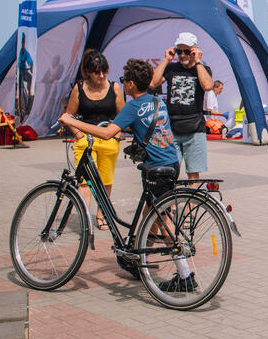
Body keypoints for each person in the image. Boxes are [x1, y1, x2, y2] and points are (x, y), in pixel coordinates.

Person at [59, 59, 189, 292]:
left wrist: (71, 122)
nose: (123, 84)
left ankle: (185, 275)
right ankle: (139, 260)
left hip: (156, 168)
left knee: (162, 219)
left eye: (124, 81)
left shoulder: (133, 106)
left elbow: (107, 133)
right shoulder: (158, 101)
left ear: (130, 84)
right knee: (151, 214)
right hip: (171, 161)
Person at [65, 50, 125, 228]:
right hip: (86, 139)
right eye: (97, 72)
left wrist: (117, 136)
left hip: (108, 138)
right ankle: (85, 219)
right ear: (88, 72)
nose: (101, 75)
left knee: (106, 181)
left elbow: (122, 115)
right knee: (85, 182)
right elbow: (69, 115)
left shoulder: (114, 87)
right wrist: (78, 135)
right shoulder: (79, 88)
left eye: (104, 71)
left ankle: (102, 215)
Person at [151, 32, 214, 180]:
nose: (182, 55)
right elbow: (153, 83)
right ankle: (171, 196)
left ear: (194, 50)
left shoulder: (202, 69)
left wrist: (198, 61)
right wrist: (166, 59)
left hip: (194, 128)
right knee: (168, 172)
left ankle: (192, 196)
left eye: (187, 51)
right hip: (172, 128)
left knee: (193, 173)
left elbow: (207, 86)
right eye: (179, 51)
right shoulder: (171, 68)